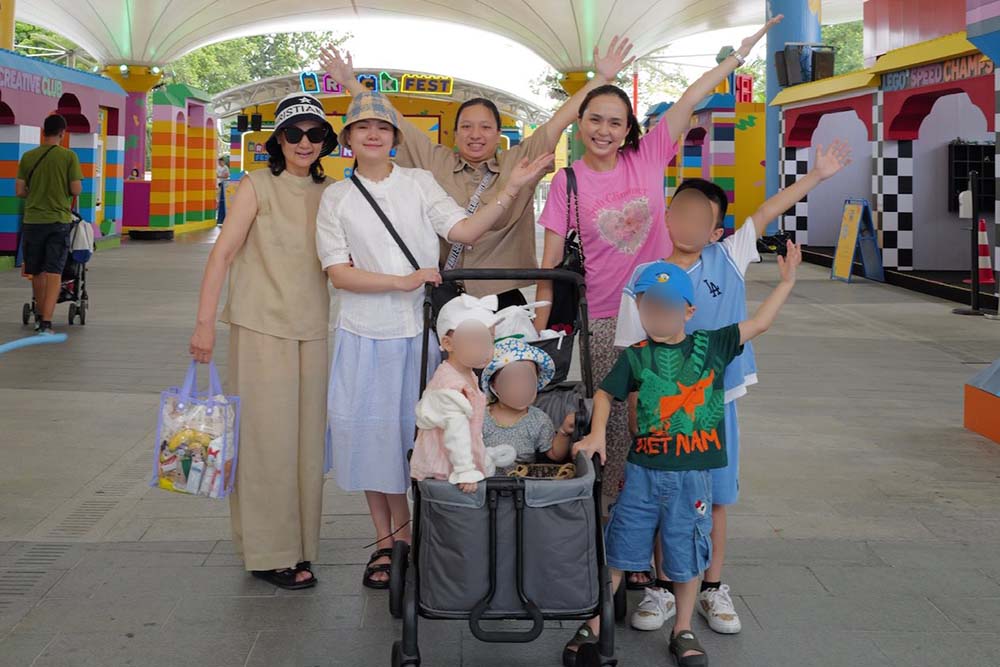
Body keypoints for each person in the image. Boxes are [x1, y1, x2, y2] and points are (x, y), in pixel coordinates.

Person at [533, 17, 784, 588]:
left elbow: (694, 94)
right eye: (593, 118)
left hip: (666, 320)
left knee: (660, 436)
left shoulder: (647, 160)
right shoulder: (567, 184)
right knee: (616, 439)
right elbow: (550, 272)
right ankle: (622, 562)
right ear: (580, 121)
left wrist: (735, 57)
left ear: (628, 130)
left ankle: (663, 557)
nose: (602, 129)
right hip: (605, 322)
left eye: (614, 121)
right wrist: (540, 332)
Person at [315, 91, 553, 589]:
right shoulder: (336, 197)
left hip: (425, 338)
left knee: (438, 439)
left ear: (395, 138)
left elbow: (464, 229)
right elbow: (338, 272)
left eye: (382, 127)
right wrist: (400, 281)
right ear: (348, 140)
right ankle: (389, 543)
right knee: (372, 439)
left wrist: (511, 188)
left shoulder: (419, 183)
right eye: (362, 128)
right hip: (364, 334)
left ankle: (432, 534)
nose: (373, 134)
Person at [615, 141, 852, 635]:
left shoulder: (729, 255)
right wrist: (637, 407)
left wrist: (818, 177)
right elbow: (632, 354)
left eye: (700, 216)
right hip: (662, 410)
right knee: (663, 493)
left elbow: (769, 208)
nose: (686, 222)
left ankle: (711, 588)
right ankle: (662, 587)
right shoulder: (646, 279)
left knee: (715, 497)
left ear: (716, 229)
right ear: (668, 218)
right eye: (679, 211)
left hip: (716, 402)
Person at [565, 248, 803, 667]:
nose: (657, 315)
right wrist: (597, 433)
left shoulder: (713, 345)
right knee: (619, 549)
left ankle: (683, 628)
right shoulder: (636, 355)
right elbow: (604, 394)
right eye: (648, 306)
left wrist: (786, 282)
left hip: (693, 479)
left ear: (688, 310)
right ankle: (594, 623)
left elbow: (761, 323)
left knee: (687, 554)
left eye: (666, 307)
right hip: (642, 476)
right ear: (639, 308)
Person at [318, 38, 635, 304]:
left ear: (499, 135)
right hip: (446, 292)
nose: (475, 134)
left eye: (485, 127)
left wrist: (601, 78)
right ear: (454, 135)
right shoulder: (434, 160)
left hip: (504, 294)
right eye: (466, 127)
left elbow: (559, 120)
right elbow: (392, 120)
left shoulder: (519, 162)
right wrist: (350, 82)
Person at [189, 92, 338, 590]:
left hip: (314, 328)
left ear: (326, 141)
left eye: (314, 133)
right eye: (293, 133)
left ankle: (299, 547)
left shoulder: (332, 192)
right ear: (277, 139)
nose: (304, 142)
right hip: (260, 327)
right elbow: (222, 255)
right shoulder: (253, 185)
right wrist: (205, 324)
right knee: (265, 443)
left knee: (305, 448)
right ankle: (267, 552)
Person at [410, 296, 516, 495]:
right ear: (449, 344)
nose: (485, 349)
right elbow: (456, 433)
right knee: (458, 518)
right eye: (475, 341)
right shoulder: (450, 386)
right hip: (447, 467)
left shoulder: (467, 374)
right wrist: (465, 471)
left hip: (460, 457)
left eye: (489, 340)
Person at [15, 114, 83, 335]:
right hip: (58, 221)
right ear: (63, 133)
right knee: (54, 271)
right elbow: (75, 189)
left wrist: (36, 195)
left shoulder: (28, 157)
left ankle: (37, 316)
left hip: (33, 221)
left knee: (36, 271)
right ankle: (46, 322)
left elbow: (19, 191)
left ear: (43, 132)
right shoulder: (69, 157)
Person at [480, 338, 573, 466]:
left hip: (523, 483)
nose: (521, 387)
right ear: (494, 386)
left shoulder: (539, 420)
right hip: (483, 482)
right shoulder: (480, 417)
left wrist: (564, 432)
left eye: (528, 380)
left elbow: (554, 455)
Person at [216, 157, 229, 223]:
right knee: (217, 197)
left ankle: (218, 208)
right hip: (218, 184)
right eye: (219, 162)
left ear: (223, 162)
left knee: (221, 198)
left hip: (223, 185)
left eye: (220, 162)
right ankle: (217, 207)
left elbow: (226, 176)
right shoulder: (217, 167)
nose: (219, 163)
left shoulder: (225, 168)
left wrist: (219, 176)